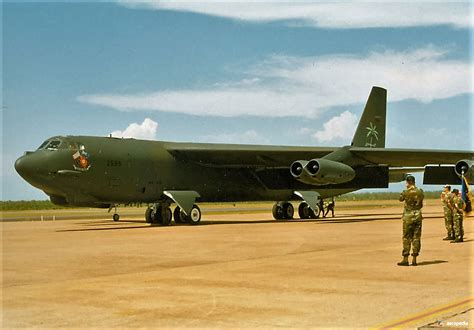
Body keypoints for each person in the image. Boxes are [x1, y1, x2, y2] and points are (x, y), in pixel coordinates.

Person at [398, 175, 424, 266]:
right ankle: (414, 259)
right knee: (416, 237)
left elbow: (400, 199)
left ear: (408, 182)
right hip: (417, 216)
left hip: (408, 217)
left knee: (406, 237)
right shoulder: (420, 191)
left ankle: (405, 259)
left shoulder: (406, 192)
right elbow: (421, 204)